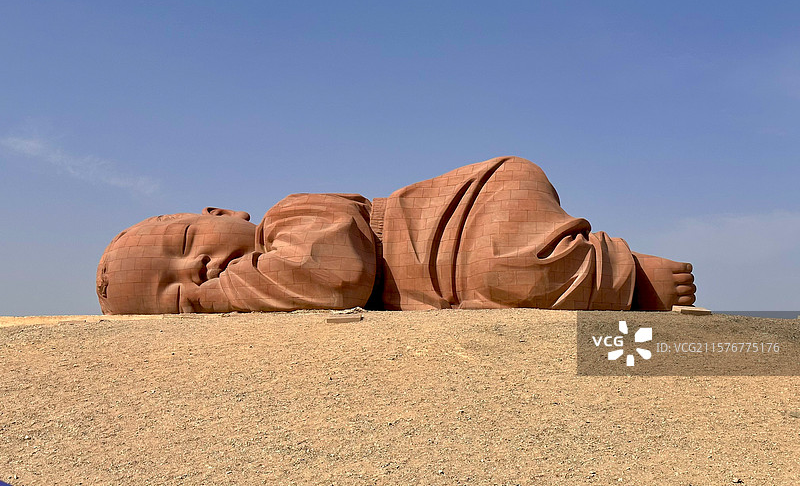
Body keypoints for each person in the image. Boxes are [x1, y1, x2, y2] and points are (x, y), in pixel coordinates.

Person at [96, 156, 696, 314]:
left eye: (184, 245)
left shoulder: (293, 214)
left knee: (509, 271)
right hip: (450, 281)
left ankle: (626, 271)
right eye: (177, 295)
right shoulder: (262, 289)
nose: (196, 270)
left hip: (472, 212)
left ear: (220, 211)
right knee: (499, 289)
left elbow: (337, 275)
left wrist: (215, 295)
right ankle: (604, 278)